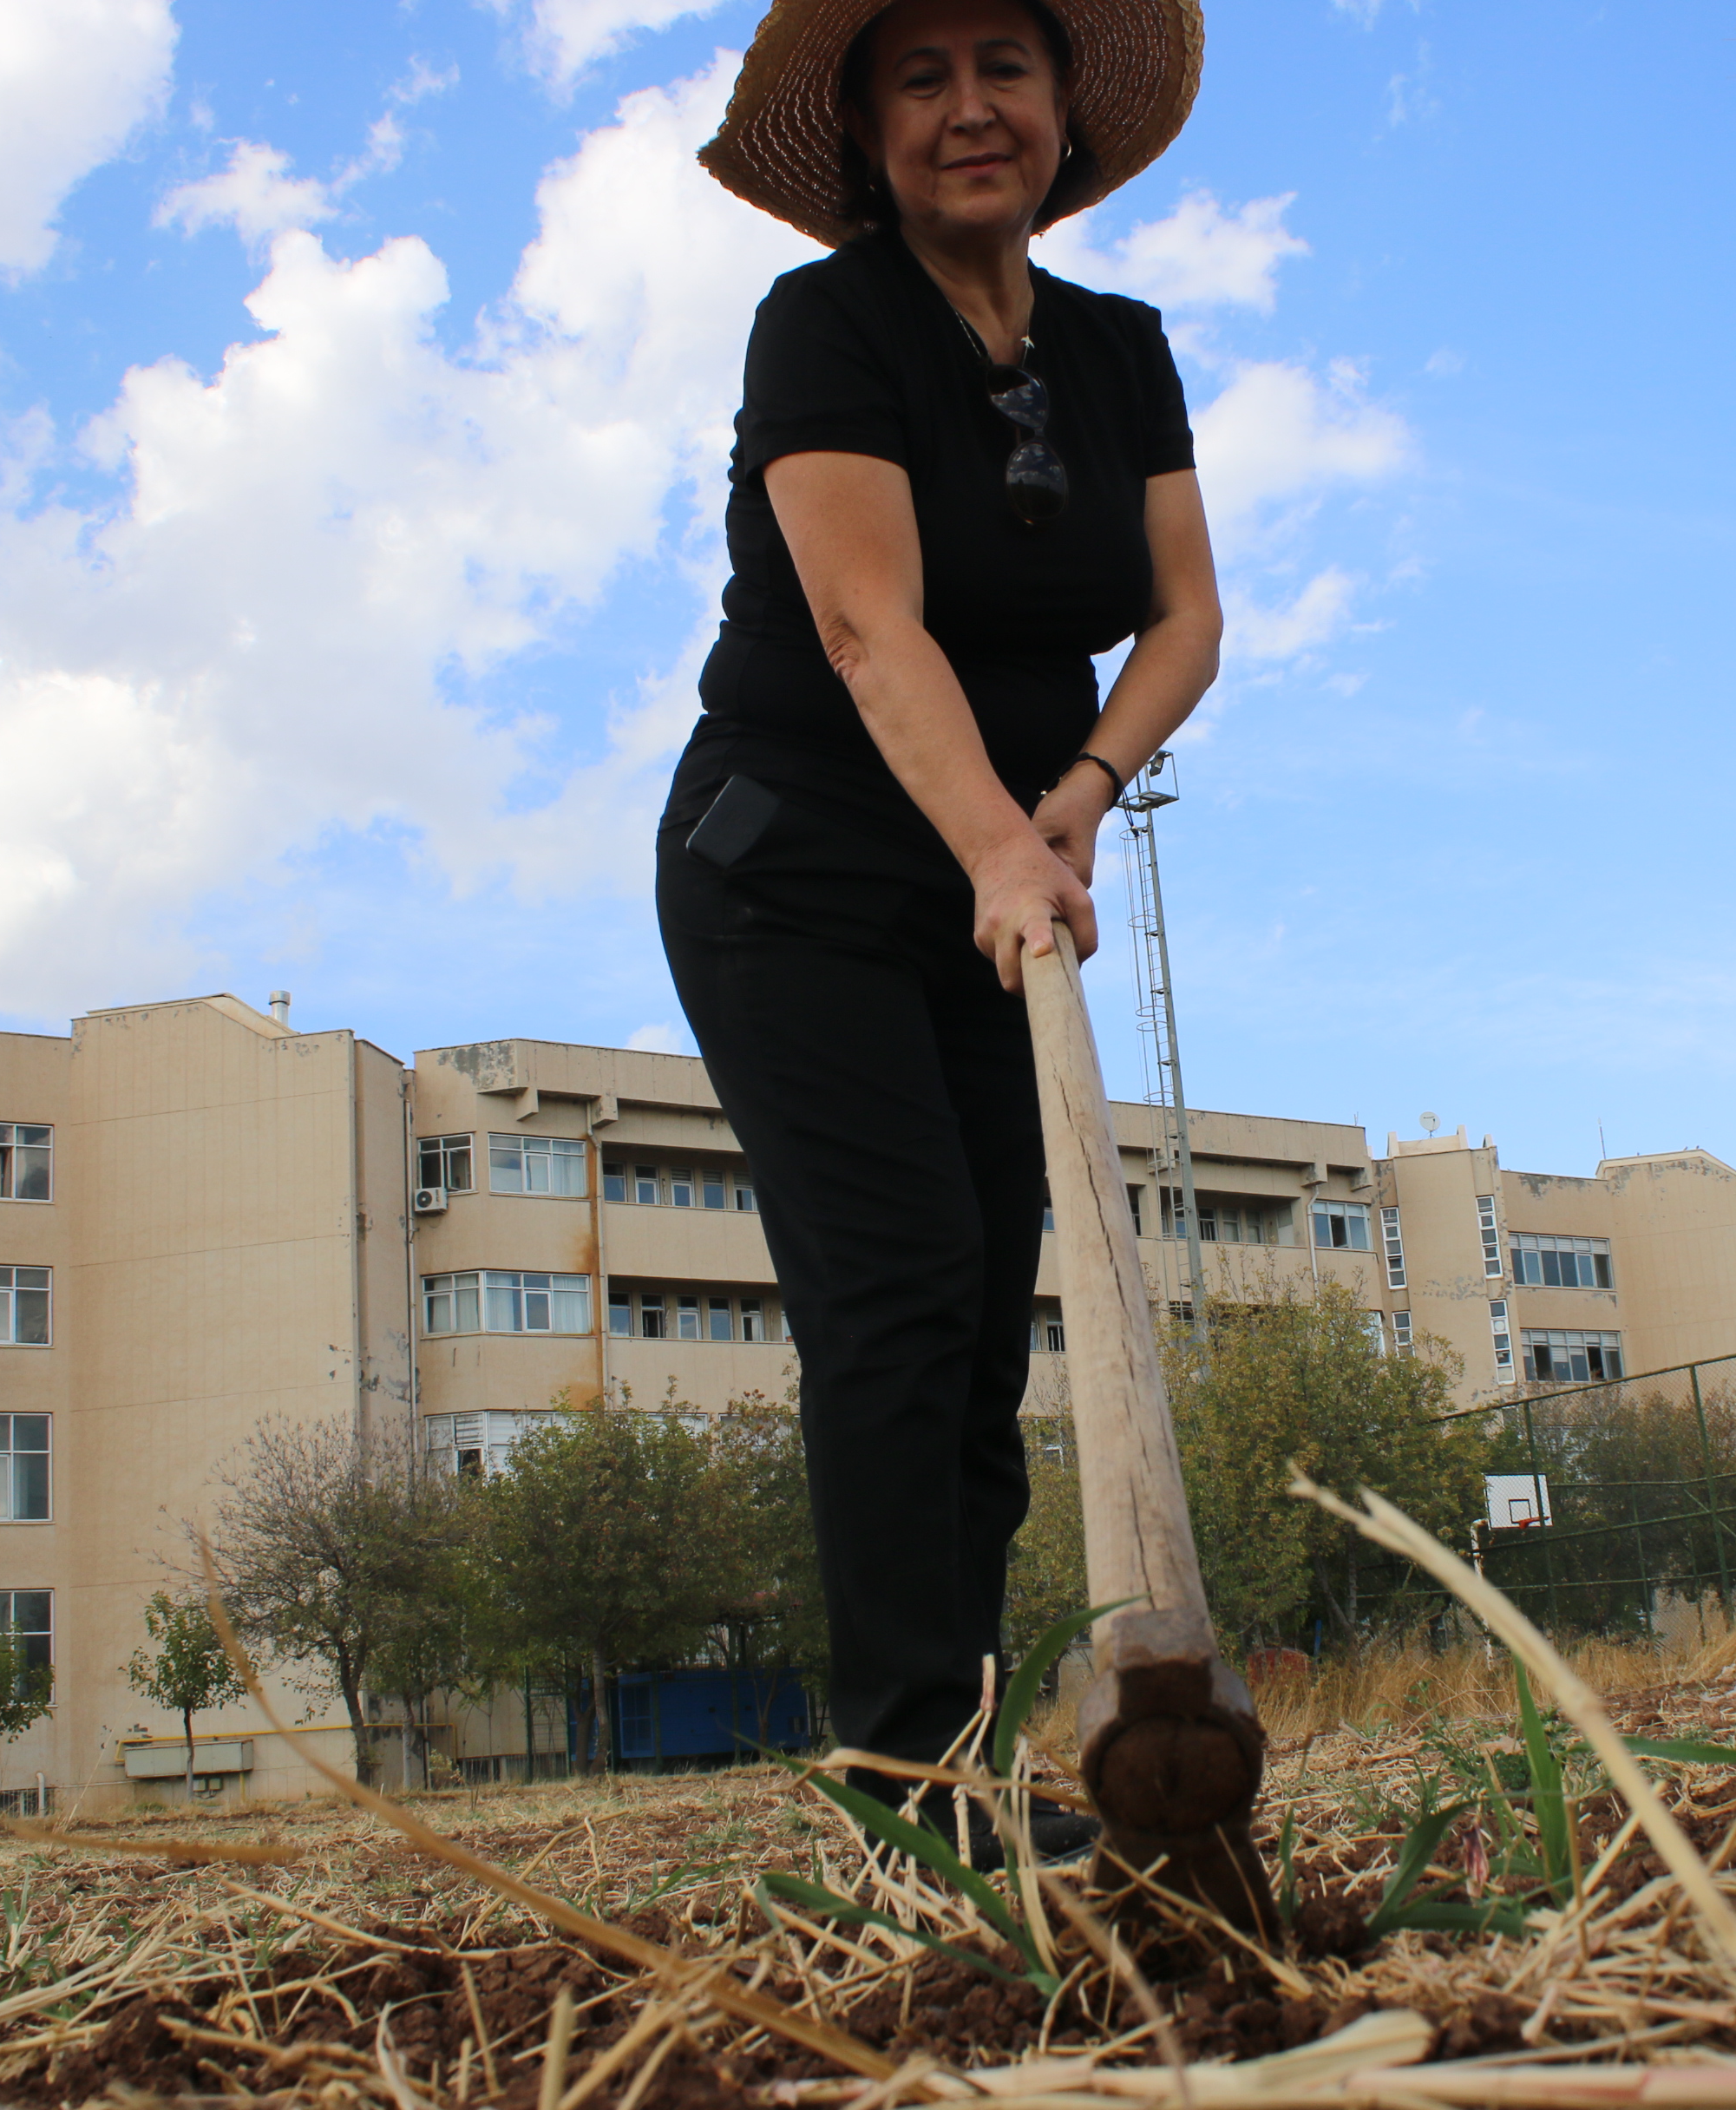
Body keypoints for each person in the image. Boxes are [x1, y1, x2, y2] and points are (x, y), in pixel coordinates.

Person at [665, 0, 1217, 1851]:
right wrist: (1001, 839)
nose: (969, 109)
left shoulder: (1122, 353)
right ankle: (910, 1788)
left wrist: (1082, 790)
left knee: (984, 1314)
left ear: (1065, 111)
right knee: (896, 1289)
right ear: (870, 129)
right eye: (922, 78)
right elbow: (863, 629)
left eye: (1004, 69)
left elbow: (1187, 618)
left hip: (999, 869)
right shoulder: (826, 325)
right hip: (800, 859)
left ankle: (965, 1751)